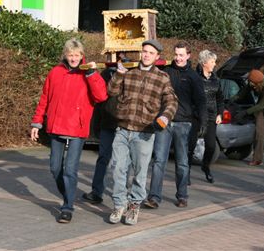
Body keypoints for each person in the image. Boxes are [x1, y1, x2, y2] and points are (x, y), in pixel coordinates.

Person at [30, 38, 107, 223]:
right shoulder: (55, 72)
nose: (73, 58)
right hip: (56, 126)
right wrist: (36, 123)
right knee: (55, 168)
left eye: (77, 55)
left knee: (70, 170)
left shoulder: (87, 72)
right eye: (70, 55)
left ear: (82, 55)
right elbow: (45, 98)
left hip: (77, 128)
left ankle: (67, 207)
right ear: (65, 55)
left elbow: (101, 96)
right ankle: (69, 195)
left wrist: (91, 73)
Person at [107, 39, 178, 225]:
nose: (146, 55)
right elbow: (111, 91)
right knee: (117, 169)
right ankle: (118, 204)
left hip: (144, 133)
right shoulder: (128, 72)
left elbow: (172, 101)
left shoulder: (162, 78)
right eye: (144, 51)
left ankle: (134, 205)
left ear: (157, 57)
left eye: (151, 53)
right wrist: (118, 75)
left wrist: (165, 117)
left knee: (139, 173)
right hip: (122, 130)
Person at [144, 41, 206, 210]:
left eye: (181, 55)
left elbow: (201, 102)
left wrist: (202, 123)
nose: (178, 58)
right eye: (176, 54)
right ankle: (154, 197)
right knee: (159, 161)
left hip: (183, 124)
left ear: (188, 55)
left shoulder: (194, 77)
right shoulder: (165, 73)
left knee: (182, 163)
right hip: (164, 122)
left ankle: (182, 195)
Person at [82, 67, 119, 204]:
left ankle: (122, 195)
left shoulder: (133, 71)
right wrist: (97, 125)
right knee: (103, 158)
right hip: (107, 123)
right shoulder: (106, 73)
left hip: (124, 125)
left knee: (123, 162)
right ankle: (97, 191)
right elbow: (100, 100)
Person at [188, 50, 224, 184]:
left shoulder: (216, 80)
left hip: (211, 117)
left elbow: (220, 99)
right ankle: (186, 171)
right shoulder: (194, 78)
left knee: (211, 146)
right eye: (212, 61)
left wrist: (220, 113)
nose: (215, 64)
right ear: (204, 63)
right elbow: (189, 98)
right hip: (195, 117)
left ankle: (206, 166)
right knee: (190, 146)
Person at [234, 69, 264, 166]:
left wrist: (245, 112)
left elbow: (261, 105)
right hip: (261, 108)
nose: (250, 84)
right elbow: (241, 94)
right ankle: (257, 159)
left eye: (252, 82)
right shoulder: (251, 82)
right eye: (249, 82)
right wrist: (232, 99)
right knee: (259, 134)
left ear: (258, 82)